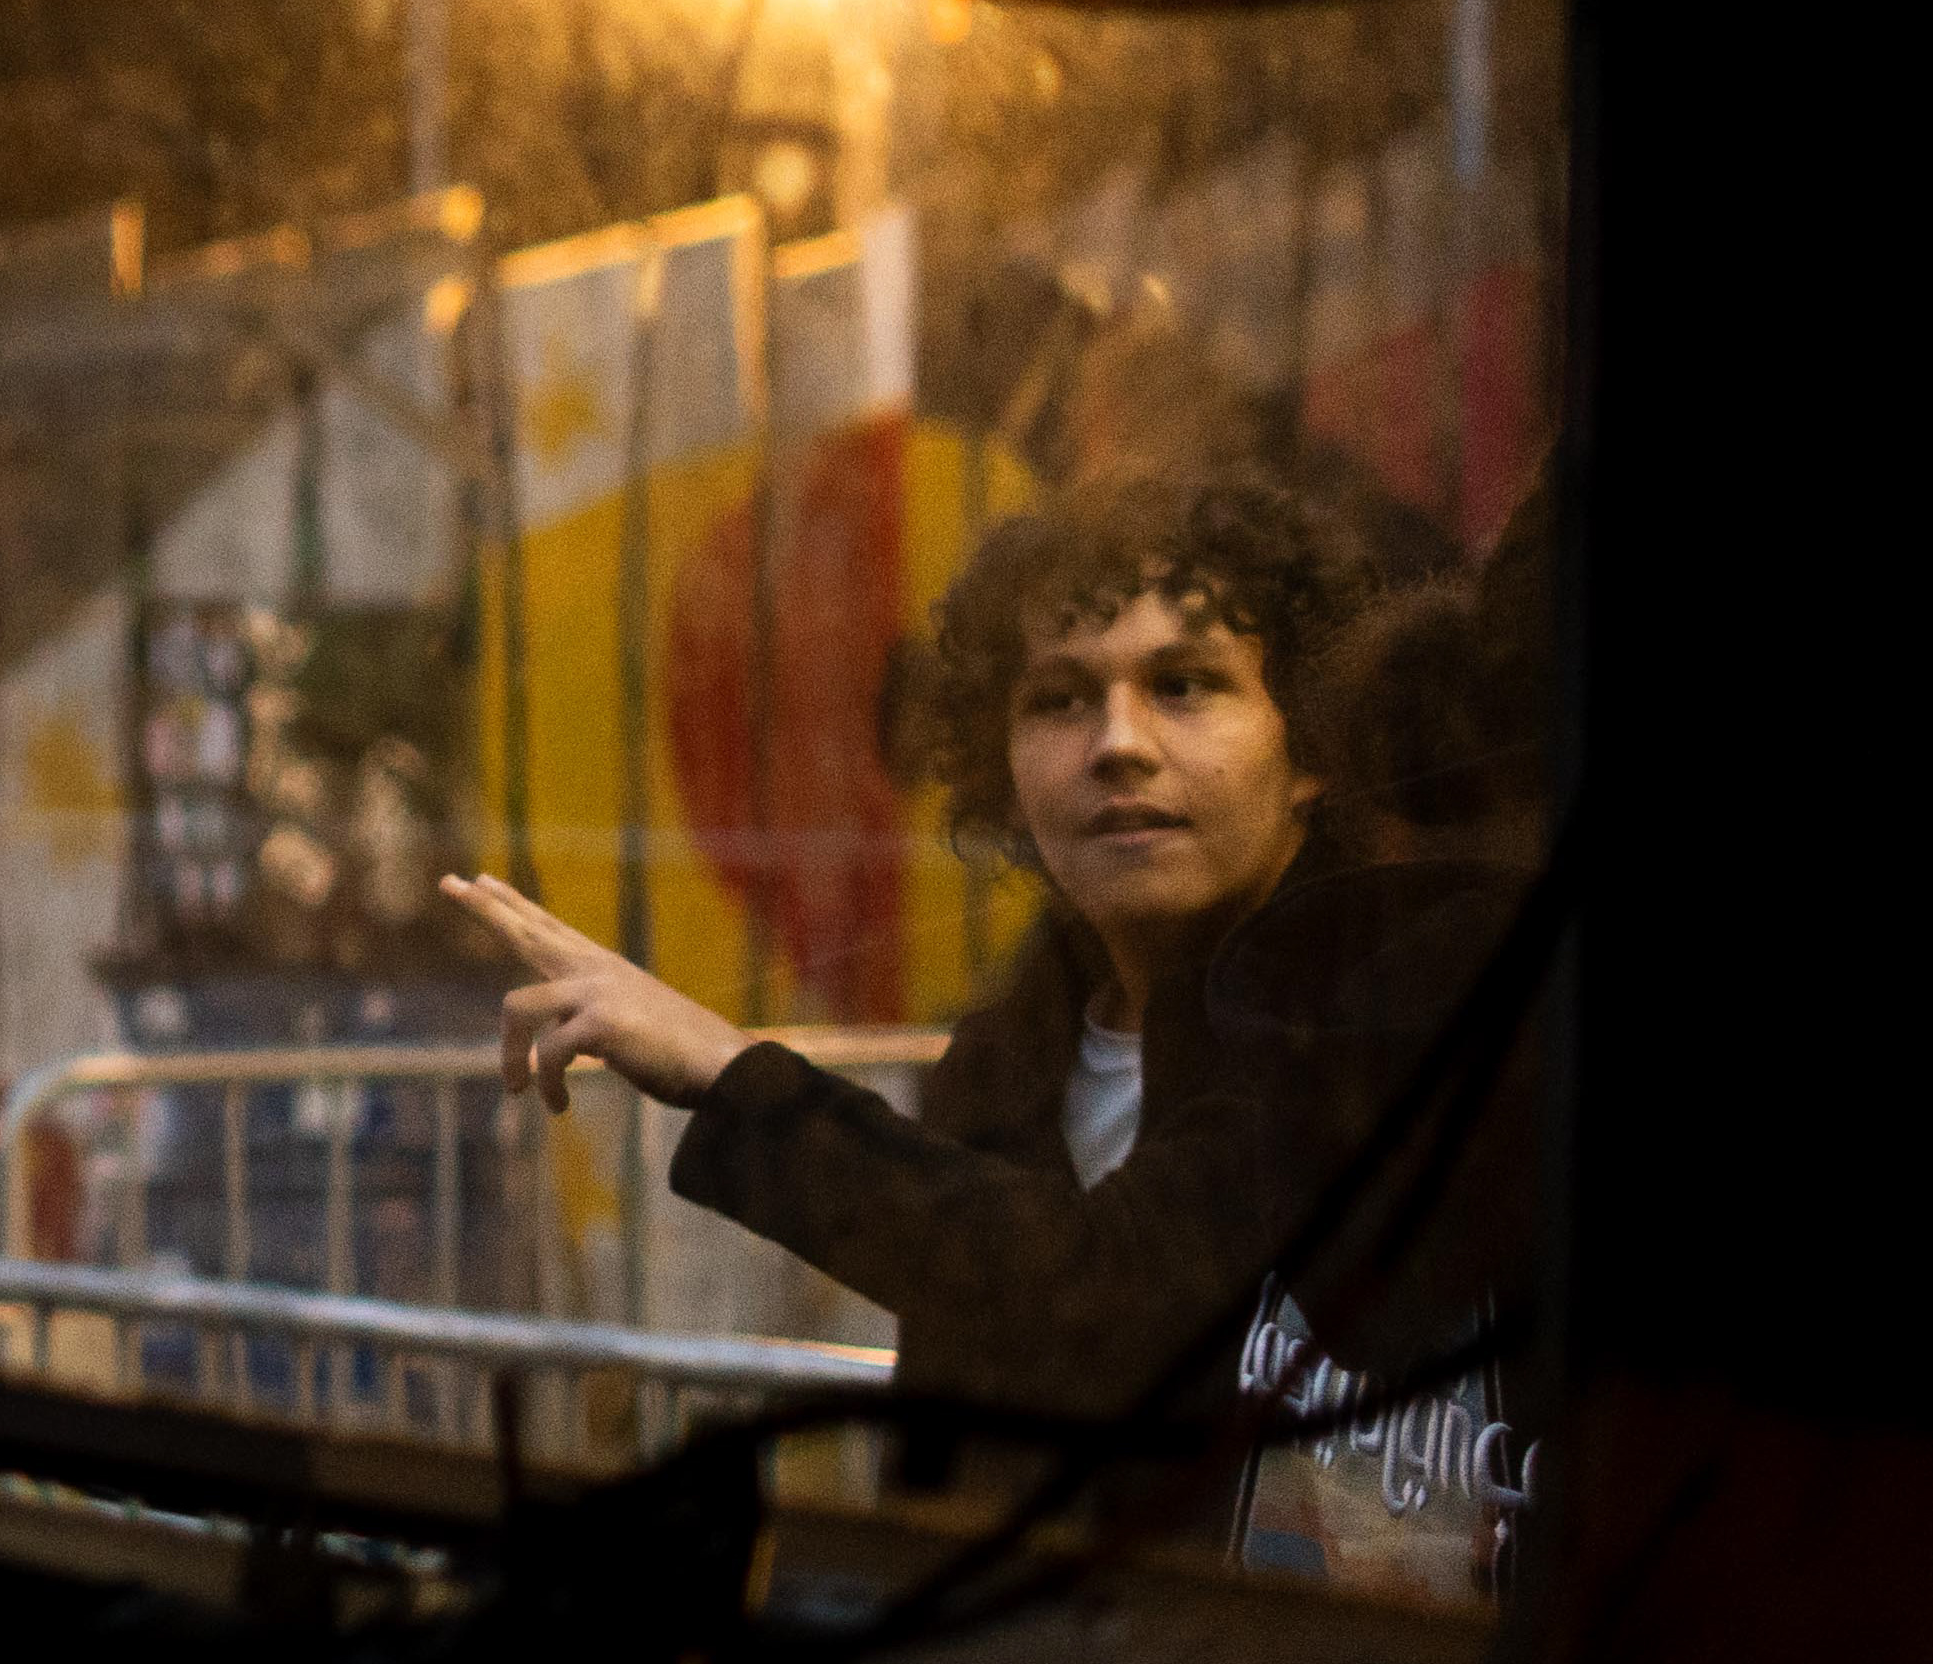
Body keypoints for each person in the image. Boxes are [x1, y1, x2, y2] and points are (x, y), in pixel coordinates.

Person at [438, 472, 1469, 1446]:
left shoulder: (1375, 1016)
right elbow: (949, 1438)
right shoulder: (1008, 1054)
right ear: (998, 762)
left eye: (1184, 685)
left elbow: (1109, 1303)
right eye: (1058, 698)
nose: (1119, 742)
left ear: (1312, 746)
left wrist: (728, 1070)